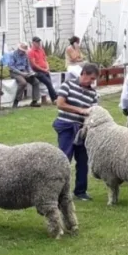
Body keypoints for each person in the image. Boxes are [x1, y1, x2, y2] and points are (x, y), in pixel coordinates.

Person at [52, 63, 99, 202]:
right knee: (64, 159)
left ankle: (80, 191)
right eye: (91, 78)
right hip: (66, 127)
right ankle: (58, 191)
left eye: (94, 79)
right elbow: (60, 104)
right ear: (83, 73)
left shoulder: (93, 93)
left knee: (83, 160)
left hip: (82, 129)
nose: (92, 82)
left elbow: (94, 111)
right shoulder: (68, 85)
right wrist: (80, 110)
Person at [7, 42, 41, 108]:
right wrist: (22, 73)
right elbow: (11, 67)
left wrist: (31, 72)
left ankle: (34, 101)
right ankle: (16, 102)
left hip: (24, 72)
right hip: (15, 72)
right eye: (22, 51)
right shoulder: (12, 54)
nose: (23, 52)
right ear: (19, 49)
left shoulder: (26, 55)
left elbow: (28, 66)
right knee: (23, 83)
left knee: (36, 82)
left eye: (24, 51)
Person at [28, 37, 58, 103]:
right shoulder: (31, 52)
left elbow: (45, 60)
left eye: (39, 42)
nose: (39, 43)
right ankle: (55, 98)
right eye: (37, 42)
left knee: (50, 83)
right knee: (48, 82)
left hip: (45, 70)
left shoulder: (41, 50)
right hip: (37, 72)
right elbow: (33, 64)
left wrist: (47, 67)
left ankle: (54, 99)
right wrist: (44, 70)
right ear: (33, 43)